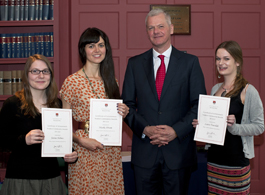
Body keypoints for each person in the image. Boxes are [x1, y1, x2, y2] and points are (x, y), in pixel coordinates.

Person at [122, 9, 206, 195]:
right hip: (145, 153)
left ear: (171, 28)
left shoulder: (190, 63)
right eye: (151, 28)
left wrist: (175, 131)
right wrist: (145, 129)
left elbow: (199, 105)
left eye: (160, 26)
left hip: (178, 153)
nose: (156, 31)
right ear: (147, 32)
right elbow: (127, 105)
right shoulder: (134, 64)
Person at [60, 27, 129, 195]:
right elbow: (62, 126)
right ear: (83, 50)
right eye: (91, 46)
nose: (97, 50)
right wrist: (80, 141)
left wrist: (123, 112)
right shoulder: (72, 82)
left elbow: (115, 116)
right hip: (85, 150)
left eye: (101, 45)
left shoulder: (112, 81)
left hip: (110, 151)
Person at [192, 40, 264, 194]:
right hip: (214, 162)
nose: (221, 63)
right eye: (218, 59)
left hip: (236, 164)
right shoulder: (215, 89)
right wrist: (202, 125)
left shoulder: (249, 91)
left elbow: (259, 126)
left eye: (226, 58)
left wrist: (235, 127)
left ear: (237, 61)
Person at [0, 54, 78, 195]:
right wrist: (24, 140)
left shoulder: (57, 104)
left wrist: (71, 154)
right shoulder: (12, 104)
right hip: (21, 180)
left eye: (45, 71)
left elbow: (61, 138)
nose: (41, 75)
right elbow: (1, 141)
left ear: (50, 75)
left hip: (51, 180)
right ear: (26, 75)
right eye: (35, 71)